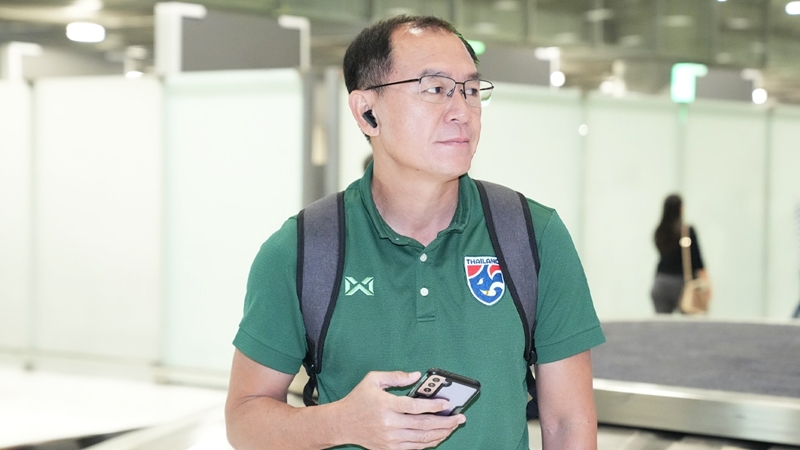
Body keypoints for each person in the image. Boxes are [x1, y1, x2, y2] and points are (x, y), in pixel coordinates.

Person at [225, 15, 605, 449]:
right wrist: (341, 423)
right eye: (435, 89)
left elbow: (568, 423)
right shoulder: (303, 250)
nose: (462, 112)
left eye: (471, 90)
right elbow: (244, 420)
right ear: (367, 112)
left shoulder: (532, 236)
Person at [650, 194, 711, 314]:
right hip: (682, 283)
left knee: (662, 322)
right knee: (690, 321)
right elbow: (697, 260)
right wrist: (707, 283)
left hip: (660, 281)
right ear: (680, 209)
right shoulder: (686, 231)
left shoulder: (659, 232)